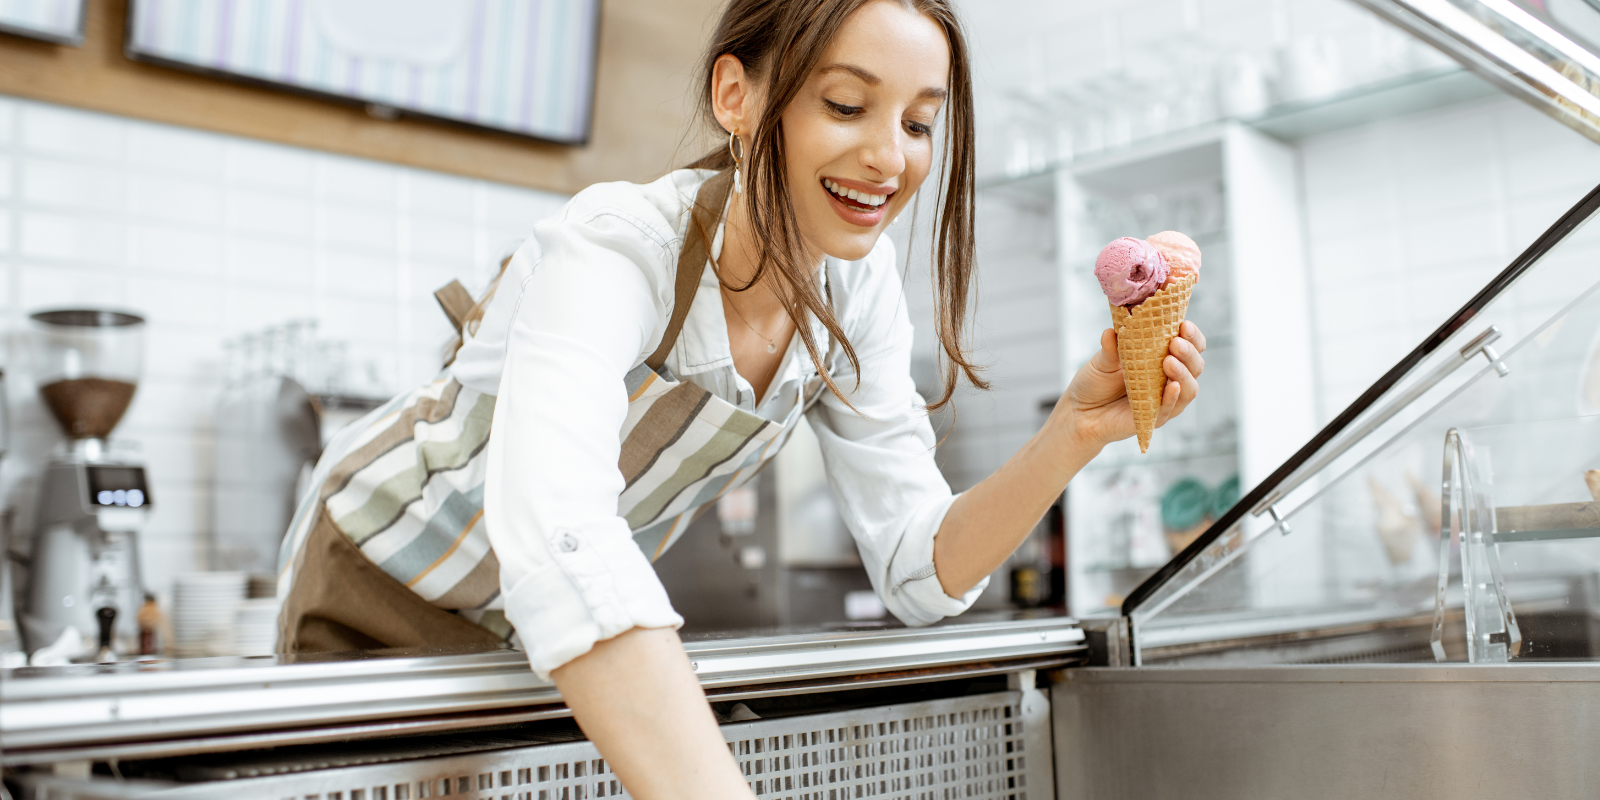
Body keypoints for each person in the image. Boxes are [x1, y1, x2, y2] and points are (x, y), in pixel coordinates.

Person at [276, 0, 1207, 796]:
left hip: (532, 628)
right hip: (380, 585)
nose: (890, 158)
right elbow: (565, 541)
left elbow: (919, 570)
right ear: (739, 96)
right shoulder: (615, 245)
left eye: (920, 124)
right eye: (847, 105)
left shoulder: (859, 289)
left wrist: (1074, 433)